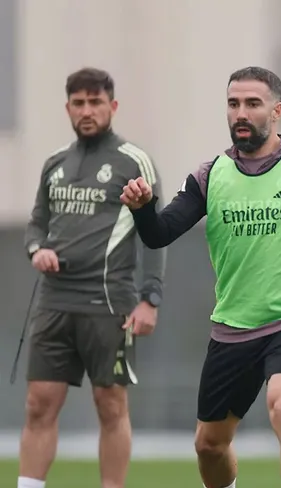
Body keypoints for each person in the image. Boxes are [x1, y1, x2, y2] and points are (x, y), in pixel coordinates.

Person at [120, 66, 281, 488]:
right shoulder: (209, 177)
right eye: (233, 104)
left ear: (276, 111)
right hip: (232, 329)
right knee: (209, 445)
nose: (240, 113)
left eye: (252, 104)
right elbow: (159, 234)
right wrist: (143, 208)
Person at [18, 67, 166, 488]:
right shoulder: (55, 164)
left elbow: (155, 234)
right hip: (53, 302)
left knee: (110, 404)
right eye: (78, 103)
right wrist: (37, 250)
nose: (87, 111)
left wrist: (150, 298)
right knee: (38, 404)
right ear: (67, 108)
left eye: (95, 102)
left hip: (108, 302)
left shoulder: (133, 162)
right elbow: (36, 224)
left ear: (112, 106)